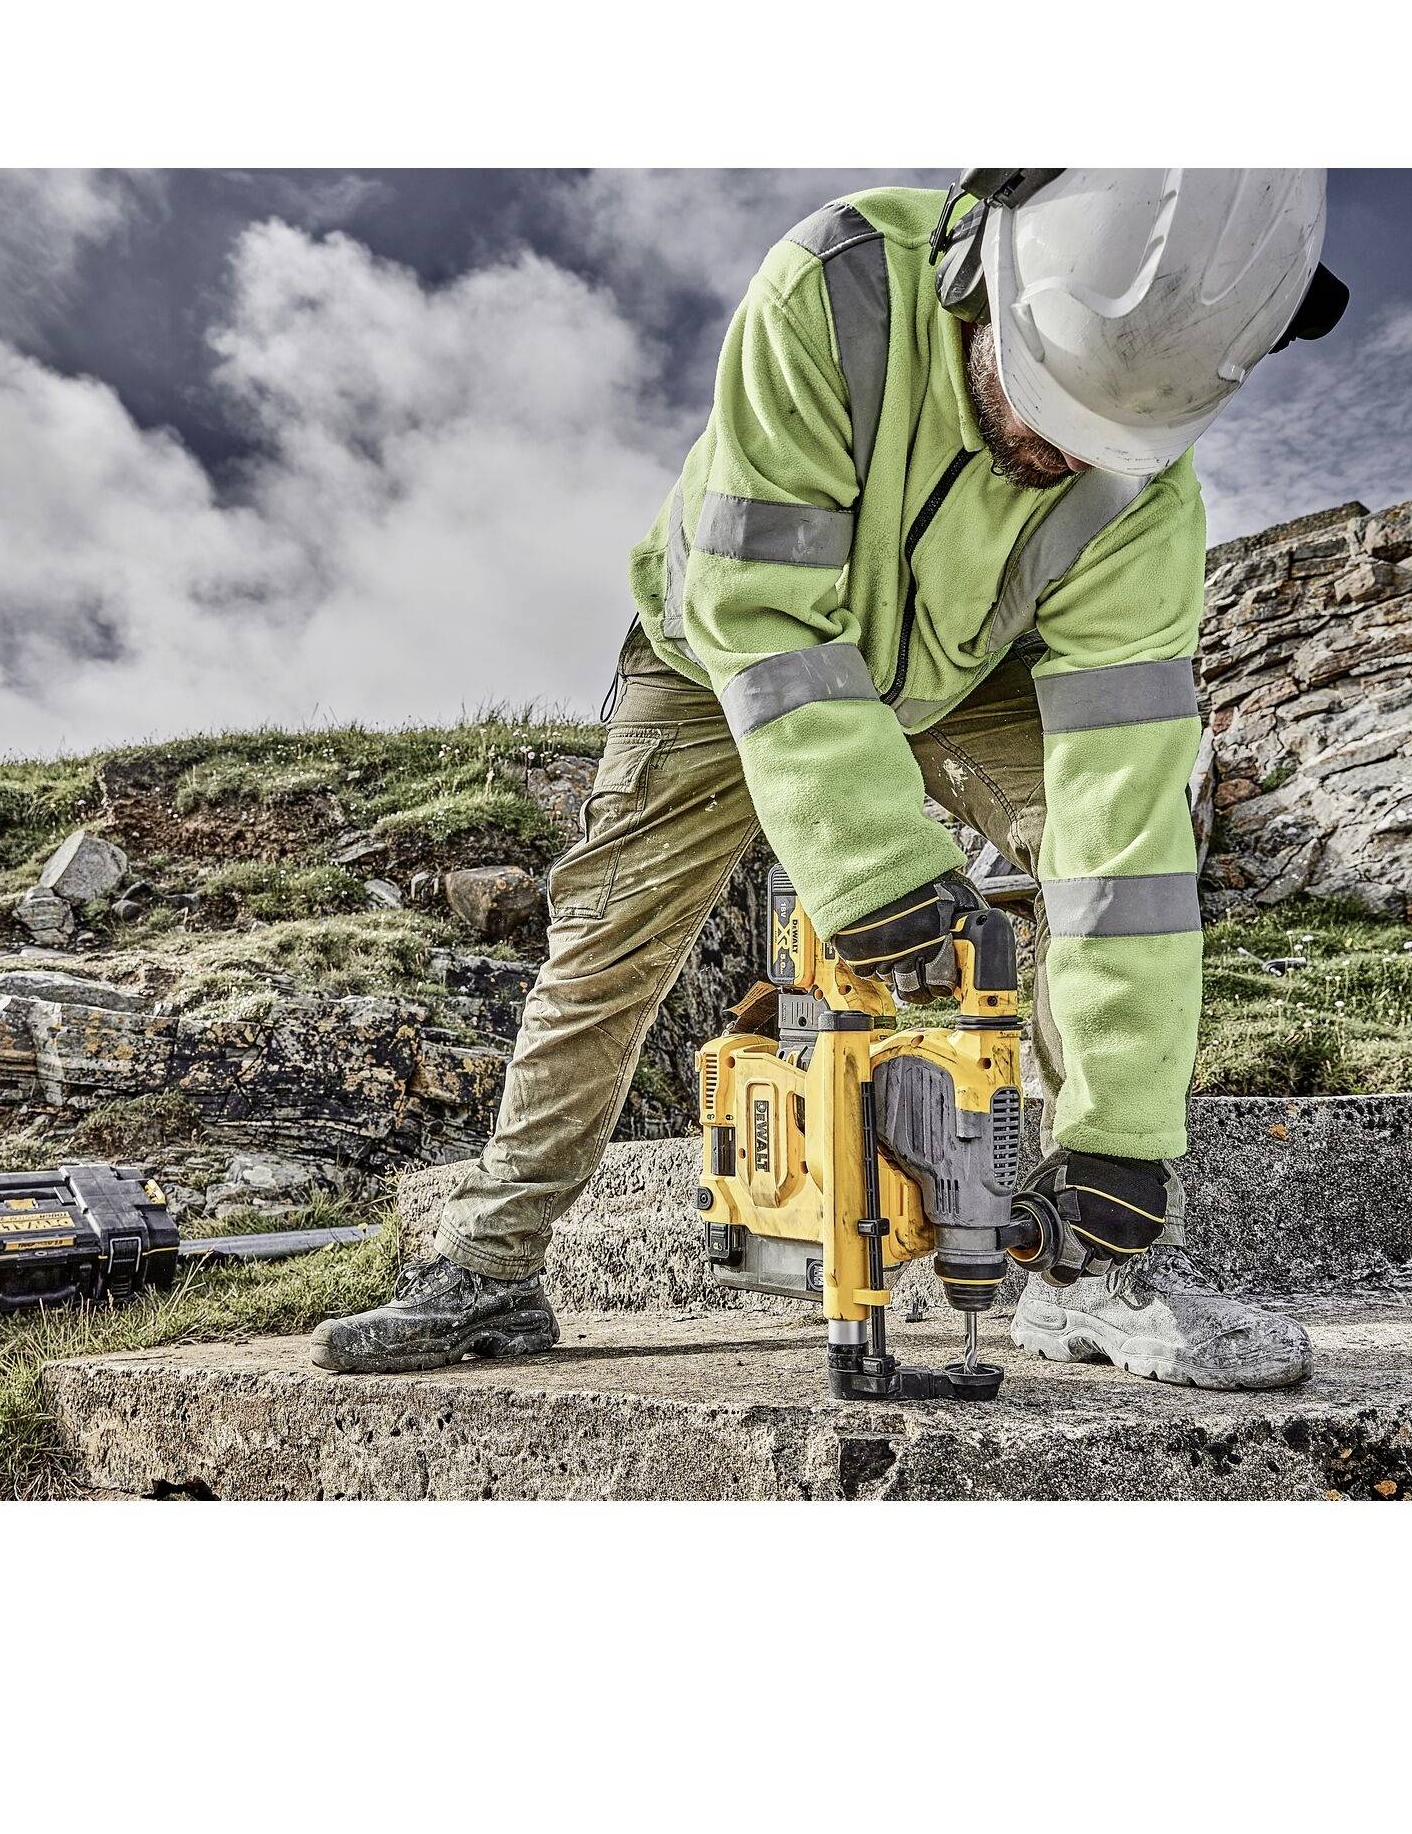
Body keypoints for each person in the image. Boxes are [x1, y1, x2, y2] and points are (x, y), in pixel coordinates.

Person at [312, 170, 1349, 1389]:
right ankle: (487, 1266)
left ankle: (1091, 1276)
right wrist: (872, 868)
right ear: (978, 272)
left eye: (1097, 441)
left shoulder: (1143, 503)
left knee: (1104, 866)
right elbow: (760, 608)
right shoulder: (832, 287)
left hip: (965, 669)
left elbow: (1123, 839)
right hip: (715, 655)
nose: (1056, 451)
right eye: (1040, 397)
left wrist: (1122, 1136)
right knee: (606, 941)